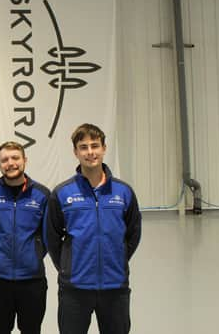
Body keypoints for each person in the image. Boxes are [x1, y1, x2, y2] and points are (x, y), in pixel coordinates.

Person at [46, 123, 142, 334]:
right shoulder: (62, 193)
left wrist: (118, 258)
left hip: (114, 286)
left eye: (95, 145)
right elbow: (51, 237)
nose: (90, 152)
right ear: (75, 152)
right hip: (75, 288)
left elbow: (134, 232)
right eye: (83, 147)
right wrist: (67, 266)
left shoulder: (123, 192)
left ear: (104, 148)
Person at [0, 141, 50, 334]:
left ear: (25, 160)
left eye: (15, 158)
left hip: (32, 280)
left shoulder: (42, 195)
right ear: (0, 164)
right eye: (5, 160)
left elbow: (49, 233)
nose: (10, 163)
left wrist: (35, 252)